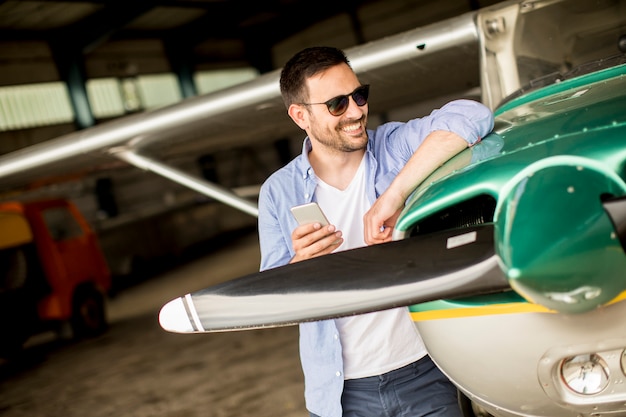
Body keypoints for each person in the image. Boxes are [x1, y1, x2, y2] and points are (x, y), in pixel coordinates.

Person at [257, 46, 494, 417]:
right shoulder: (277, 191)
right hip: (341, 394)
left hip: (424, 371)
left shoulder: (393, 147)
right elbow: (268, 298)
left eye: (359, 94)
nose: (356, 111)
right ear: (300, 115)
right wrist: (298, 263)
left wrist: (394, 195)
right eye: (337, 103)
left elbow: (473, 115)